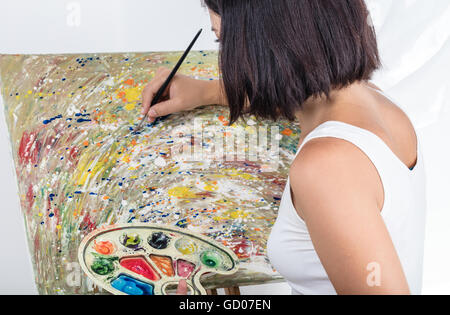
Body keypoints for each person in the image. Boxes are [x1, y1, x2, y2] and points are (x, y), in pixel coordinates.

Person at [141, 0, 426, 295]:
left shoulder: (327, 168)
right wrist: (207, 90)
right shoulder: (369, 99)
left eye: (225, 41)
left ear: (271, 43)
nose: (226, 58)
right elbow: (291, 91)